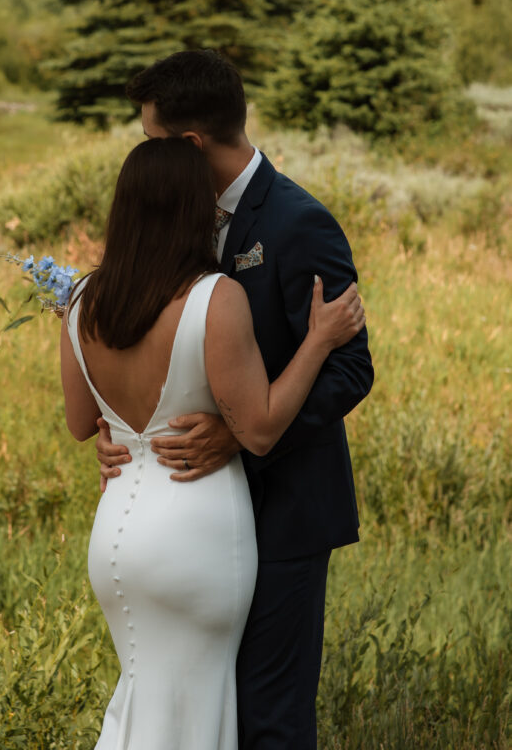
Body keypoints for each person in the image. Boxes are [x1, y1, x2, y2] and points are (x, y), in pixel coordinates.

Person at [95, 50, 374, 750]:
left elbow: (352, 370)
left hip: (282, 513)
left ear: (188, 146)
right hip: (192, 521)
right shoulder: (175, 221)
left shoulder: (296, 222)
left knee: (268, 718)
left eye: (153, 142)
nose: (144, 159)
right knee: (200, 709)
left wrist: (244, 432)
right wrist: (123, 429)